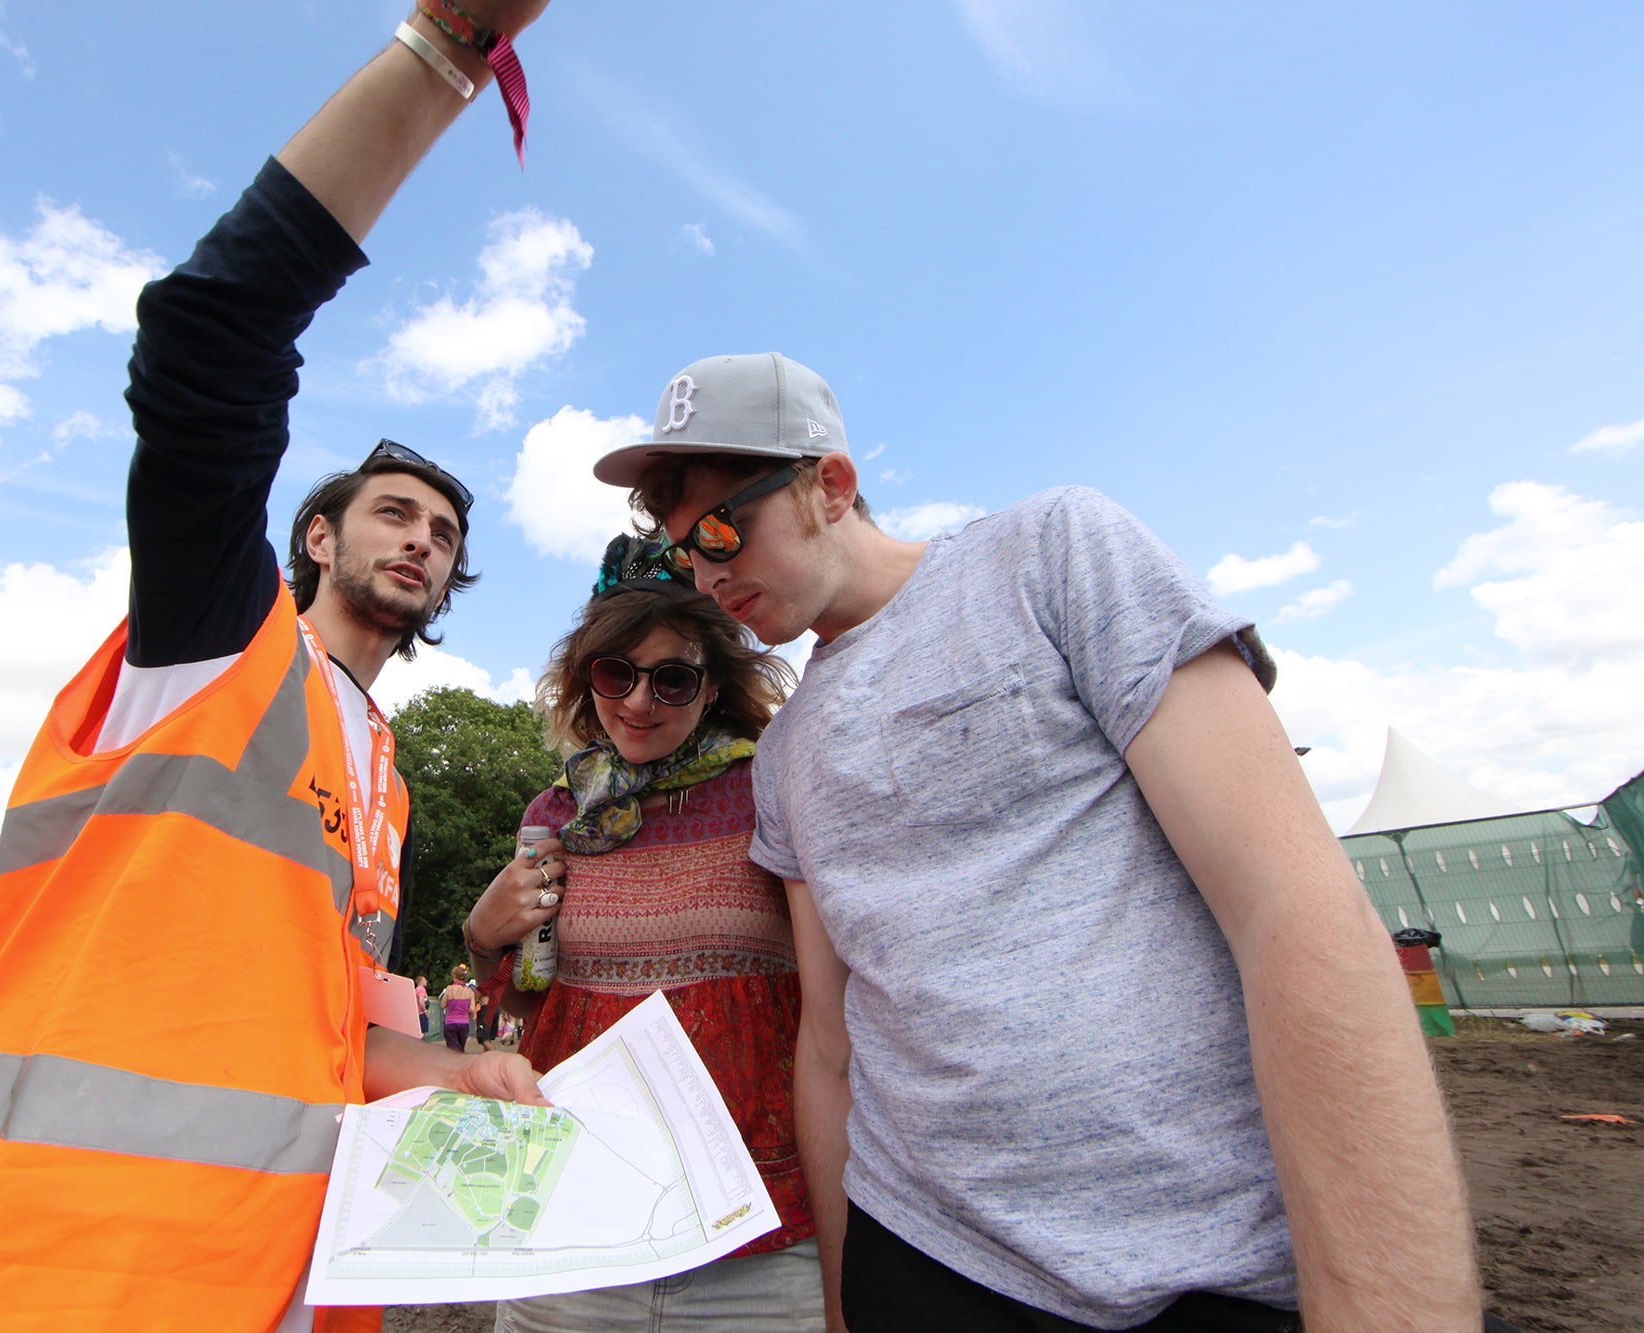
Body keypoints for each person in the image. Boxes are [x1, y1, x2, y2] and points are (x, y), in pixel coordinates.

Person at [0, 9, 551, 1331]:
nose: (423, 541)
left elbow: (321, 1037)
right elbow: (209, 335)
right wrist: (451, 44)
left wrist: (455, 1068)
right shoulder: (216, 641)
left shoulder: (383, 777)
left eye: (446, 533)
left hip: (282, 1278)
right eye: (393, 515)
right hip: (36, 1276)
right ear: (316, 535)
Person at [595, 353, 1502, 1332]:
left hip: (1215, 1268)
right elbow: (829, 1045)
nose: (708, 570)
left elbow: (1290, 901)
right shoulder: (784, 756)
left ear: (829, 486)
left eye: (725, 528)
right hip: (926, 1262)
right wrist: (845, 1298)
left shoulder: (1052, 555)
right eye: (688, 549)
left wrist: (1385, 1302)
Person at [463, 533, 818, 1332]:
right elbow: (527, 1014)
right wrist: (483, 939)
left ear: (716, 683)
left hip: (756, 1242)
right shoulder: (555, 814)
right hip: (576, 1231)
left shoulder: (774, 788)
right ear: (586, 676)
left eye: (673, 677)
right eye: (615, 671)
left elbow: (836, 1009)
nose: (637, 701)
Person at [440, 965, 478, 1053]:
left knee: (453, 1050)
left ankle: (456, 1065)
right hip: (464, 1023)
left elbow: (443, 1005)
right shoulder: (470, 991)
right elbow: (472, 1009)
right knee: (461, 1048)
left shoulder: (449, 989)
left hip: (450, 1023)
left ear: (454, 977)